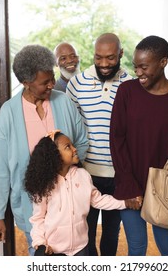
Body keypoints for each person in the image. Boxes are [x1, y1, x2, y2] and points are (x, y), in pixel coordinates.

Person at [0, 44, 89, 256]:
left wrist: (70, 173)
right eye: (45, 82)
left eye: (52, 78)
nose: (52, 84)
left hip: (69, 210)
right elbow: (0, 169)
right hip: (32, 208)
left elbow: (81, 140)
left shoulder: (63, 102)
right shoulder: (8, 113)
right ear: (26, 83)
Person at [109, 35, 168, 256]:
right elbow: (117, 140)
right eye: (135, 66)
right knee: (137, 247)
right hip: (130, 182)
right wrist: (129, 186)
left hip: (164, 185)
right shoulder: (126, 92)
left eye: (144, 66)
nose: (138, 72)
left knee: (167, 247)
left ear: (163, 62)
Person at [66, 33, 133, 256]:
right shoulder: (76, 84)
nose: (104, 64)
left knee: (112, 232)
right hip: (85, 173)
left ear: (121, 54)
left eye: (111, 58)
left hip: (118, 174)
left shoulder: (131, 84)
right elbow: (71, 129)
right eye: (99, 57)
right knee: (86, 232)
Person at [25, 130, 140, 256]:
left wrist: (125, 202)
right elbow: (38, 218)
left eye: (72, 145)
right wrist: (40, 243)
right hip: (54, 250)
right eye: (68, 147)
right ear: (54, 155)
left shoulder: (83, 175)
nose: (74, 149)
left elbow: (99, 200)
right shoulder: (45, 185)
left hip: (81, 249)